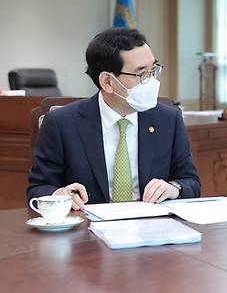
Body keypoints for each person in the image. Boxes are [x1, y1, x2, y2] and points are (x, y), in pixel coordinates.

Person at [27, 28, 200, 209]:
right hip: (87, 230)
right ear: (107, 82)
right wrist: (59, 195)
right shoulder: (61, 123)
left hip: (152, 227)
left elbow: (191, 182)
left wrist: (174, 188)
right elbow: (38, 189)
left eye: (154, 69)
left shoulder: (168, 119)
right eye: (142, 74)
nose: (153, 81)